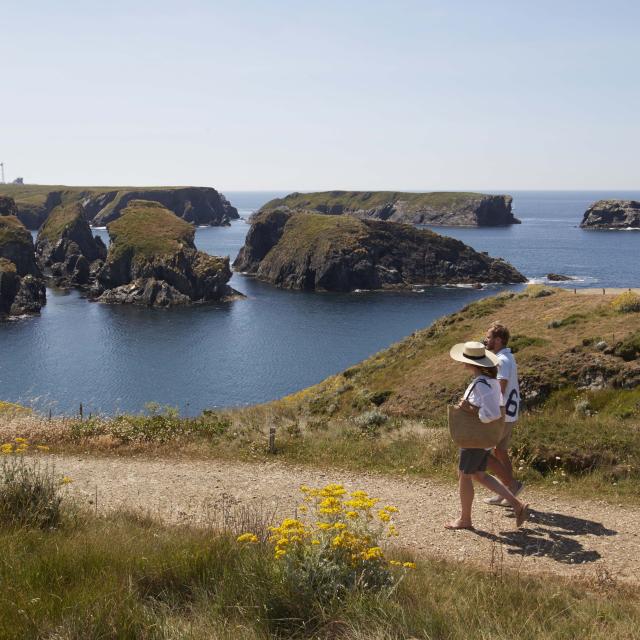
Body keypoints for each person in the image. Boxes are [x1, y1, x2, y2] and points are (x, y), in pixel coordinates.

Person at [446, 341, 529, 530]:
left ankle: (465, 520)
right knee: (479, 475)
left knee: (465, 476)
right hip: (482, 439)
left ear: (472, 363)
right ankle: (518, 505)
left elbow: (491, 414)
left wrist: (471, 410)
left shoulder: (482, 384)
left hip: (473, 438)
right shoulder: (490, 382)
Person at [484, 323, 523, 505]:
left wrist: (485, 409)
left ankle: (511, 485)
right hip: (510, 413)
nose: (487, 340)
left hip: (502, 414)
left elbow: (500, 389)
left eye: (489, 337)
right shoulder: (508, 357)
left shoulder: (502, 361)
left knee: (485, 453)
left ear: (498, 340)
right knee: (500, 451)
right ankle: (507, 490)